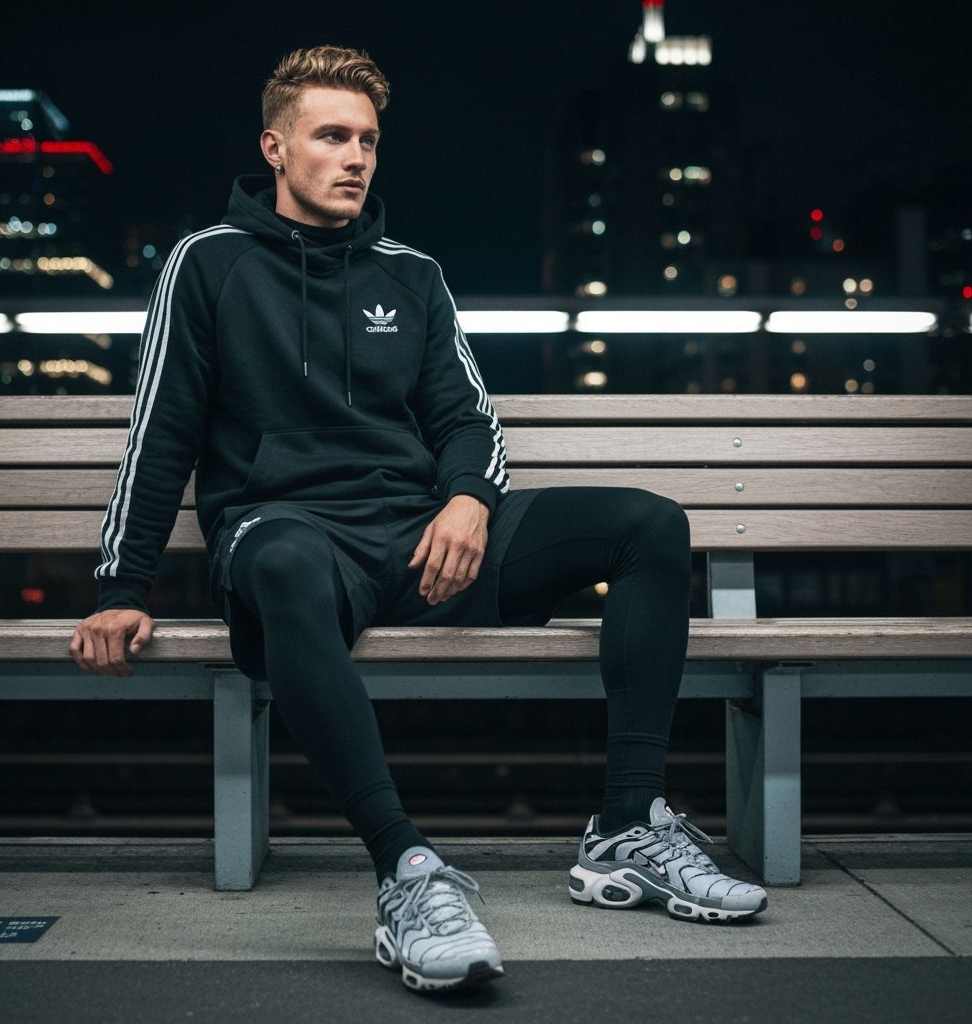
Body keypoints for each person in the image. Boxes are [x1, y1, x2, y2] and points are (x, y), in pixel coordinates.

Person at [69, 45, 767, 995]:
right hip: (295, 543)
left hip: (420, 541)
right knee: (277, 559)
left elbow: (466, 418)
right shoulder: (209, 264)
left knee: (647, 525)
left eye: (368, 140)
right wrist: (121, 588)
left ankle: (627, 827)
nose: (354, 157)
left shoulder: (413, 274)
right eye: (331, 136)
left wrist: (471, 502)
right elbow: (162, 431)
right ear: (275, 146)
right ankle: (408, 871)